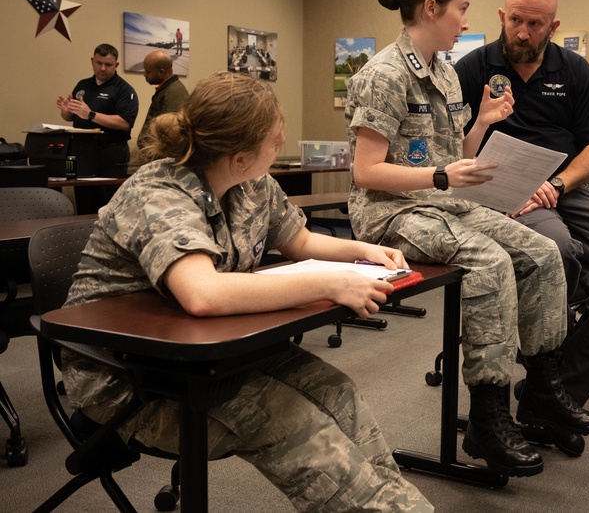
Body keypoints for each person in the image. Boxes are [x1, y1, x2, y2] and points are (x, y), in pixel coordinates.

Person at [62, 72, 432, 512]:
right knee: (293, 423)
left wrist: (365, 250)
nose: (282, 144)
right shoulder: (158, 193)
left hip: (210, 355)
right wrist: (329, 282)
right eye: (276, 139)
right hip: (132, 380)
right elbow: (203, 294)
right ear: (239, 157)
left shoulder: (250, 182)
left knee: (340, 394)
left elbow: (300, 240)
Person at [345, 0, 589, 477]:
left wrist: (482, 122)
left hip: (437, 202)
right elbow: (367, 172)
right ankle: (487, 415)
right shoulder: (382, 75)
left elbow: (453, 153)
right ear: (431, 8)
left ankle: (544, 388)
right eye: (462, 9)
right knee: (489, 262)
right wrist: (441, 176)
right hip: (388, 213)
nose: (467, 21)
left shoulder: (442, 70)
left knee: (541, 251)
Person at [454, 0, 589, 455]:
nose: (521, 31)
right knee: (558, 251)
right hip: (501, 192)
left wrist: (557, 184)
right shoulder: (472, 68)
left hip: (563, 187)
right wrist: (481, 127)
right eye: (514, 19)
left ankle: (548, 400)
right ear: (502, 16)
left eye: (533, 24)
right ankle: (541, 377)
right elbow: (450, 151)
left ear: (552, 26)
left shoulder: (574, 70)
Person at [56, 43, 139, 179]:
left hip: (110, 153)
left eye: (108, 64)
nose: (103, 68)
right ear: (92, 61)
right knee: (84, 197)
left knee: (108, 198)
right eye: (99, 63)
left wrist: (90, 114)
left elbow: (125, 123)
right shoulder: (83, 85)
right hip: (82, 151)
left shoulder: (124, 90)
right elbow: (70, 117)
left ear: (116, 65)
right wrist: (67, 111)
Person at [134, 50, 189, 166]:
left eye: (148, 72)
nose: (145, 75)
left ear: (161, 72)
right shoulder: (167, 90)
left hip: (164, 163)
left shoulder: (174, 93)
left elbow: (170, 136)